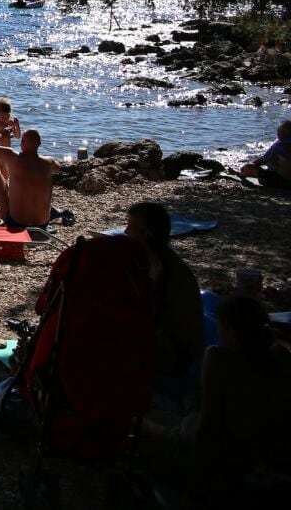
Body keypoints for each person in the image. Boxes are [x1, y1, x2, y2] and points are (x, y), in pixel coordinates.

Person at [191, 294, 291, 504]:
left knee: (157, 422)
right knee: (207, 299)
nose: (218, 331)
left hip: (235, 457)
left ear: (233, 333)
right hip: (272, 454)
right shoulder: (281, 355)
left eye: (221, 327)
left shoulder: (218, 358)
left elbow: (208, 426)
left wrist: (199, 482)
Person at [125, 202, 204, 383]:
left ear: (146, 234)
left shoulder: (157, 268)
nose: (126, 232)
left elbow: (144, 315)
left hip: (172, 354)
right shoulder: (158, 257)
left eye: (131, 228)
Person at [0, 129, 58, 227]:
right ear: (39, 144)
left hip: (16, 223)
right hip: (42, 224)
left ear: (22, 142)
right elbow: (58, 168)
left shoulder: (13, 157)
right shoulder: (49, 162)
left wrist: (1, 134)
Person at [239, 119, 291, 188]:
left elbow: (261, 161)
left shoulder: (278, 145)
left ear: (280, 133)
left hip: (281, 181)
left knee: (248, 167)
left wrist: (248, 166)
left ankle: (244, 173)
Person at [0, 97, 22, 179]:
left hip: (6, 154)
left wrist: (17, 126)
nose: (5, 118)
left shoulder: (10, 123)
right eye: (2, 116)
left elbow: (17, 136)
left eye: (7, 115)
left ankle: (5, 188)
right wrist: (0, 127)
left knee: (6, 175)